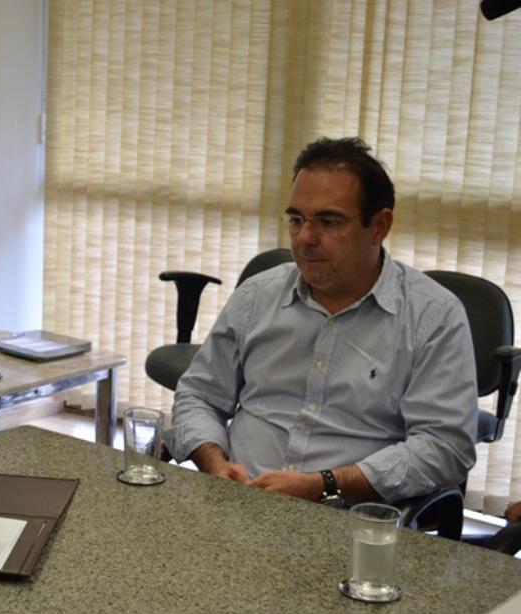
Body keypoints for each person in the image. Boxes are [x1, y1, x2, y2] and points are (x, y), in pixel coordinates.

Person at [171, 137, 477, 506]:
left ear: (379, 226)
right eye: (296, 220)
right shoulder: (258, 295)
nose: (304, 238)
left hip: (345, 517)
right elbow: (199, 395)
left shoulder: (433, 316)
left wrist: (326, 484)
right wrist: (212, 459)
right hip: (236, 501)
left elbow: (445, 447)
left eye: (328, 222)